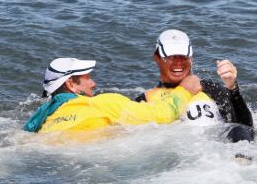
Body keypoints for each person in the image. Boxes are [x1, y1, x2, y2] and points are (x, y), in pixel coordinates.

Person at [23, 57, 202, 142]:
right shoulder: (103, 103)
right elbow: (162, 115)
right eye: (87, 78)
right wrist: (185, 90)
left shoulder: (43, 118)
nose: (94, 83)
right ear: (71, 84)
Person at [135, 29, 255, 143]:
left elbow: (246, 128)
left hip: (215, 153)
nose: (178, 62)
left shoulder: (211, 89)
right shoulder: (145, 100)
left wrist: (232, 88)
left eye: (183, 56)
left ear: (191, 57)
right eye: (170, 57)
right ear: (157, 58)